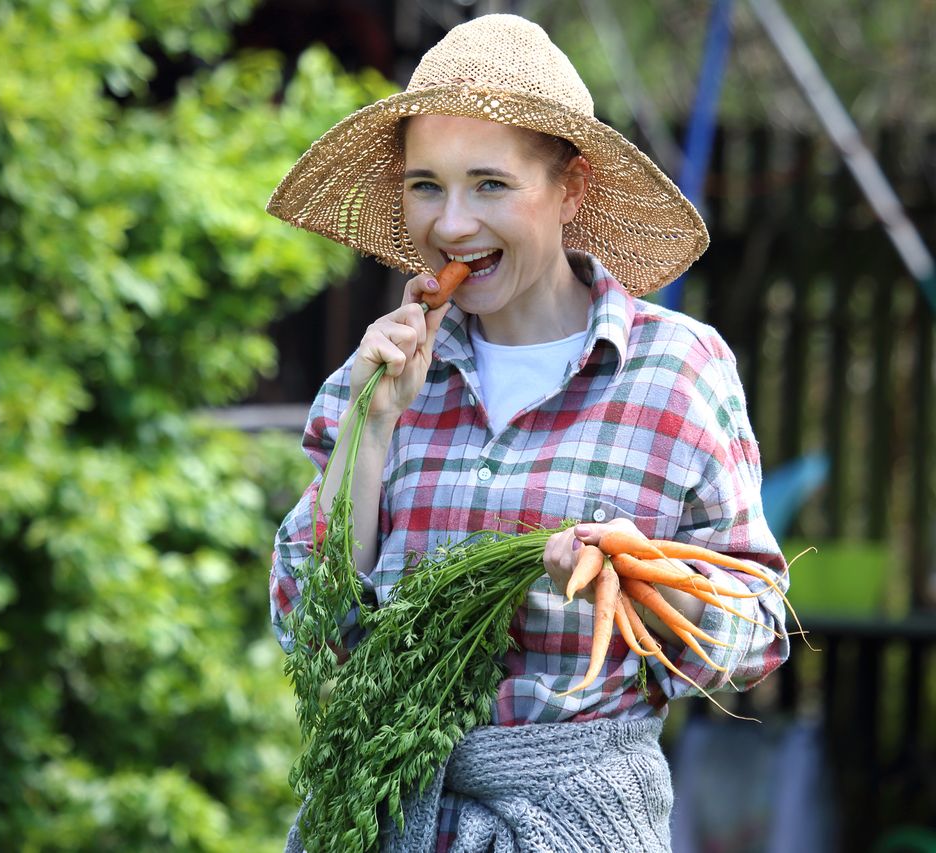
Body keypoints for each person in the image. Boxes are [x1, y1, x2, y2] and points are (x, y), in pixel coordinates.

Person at [267, 13, 789, 853]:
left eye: (490, 185)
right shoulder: (378, 375)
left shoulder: (675, 371)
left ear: (571, 189)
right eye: (426, 186)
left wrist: (643, 581)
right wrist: (372, 430)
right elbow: (311, 631)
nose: (452, 225)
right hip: (389, 820)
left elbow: (758, 633)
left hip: (579, 826)